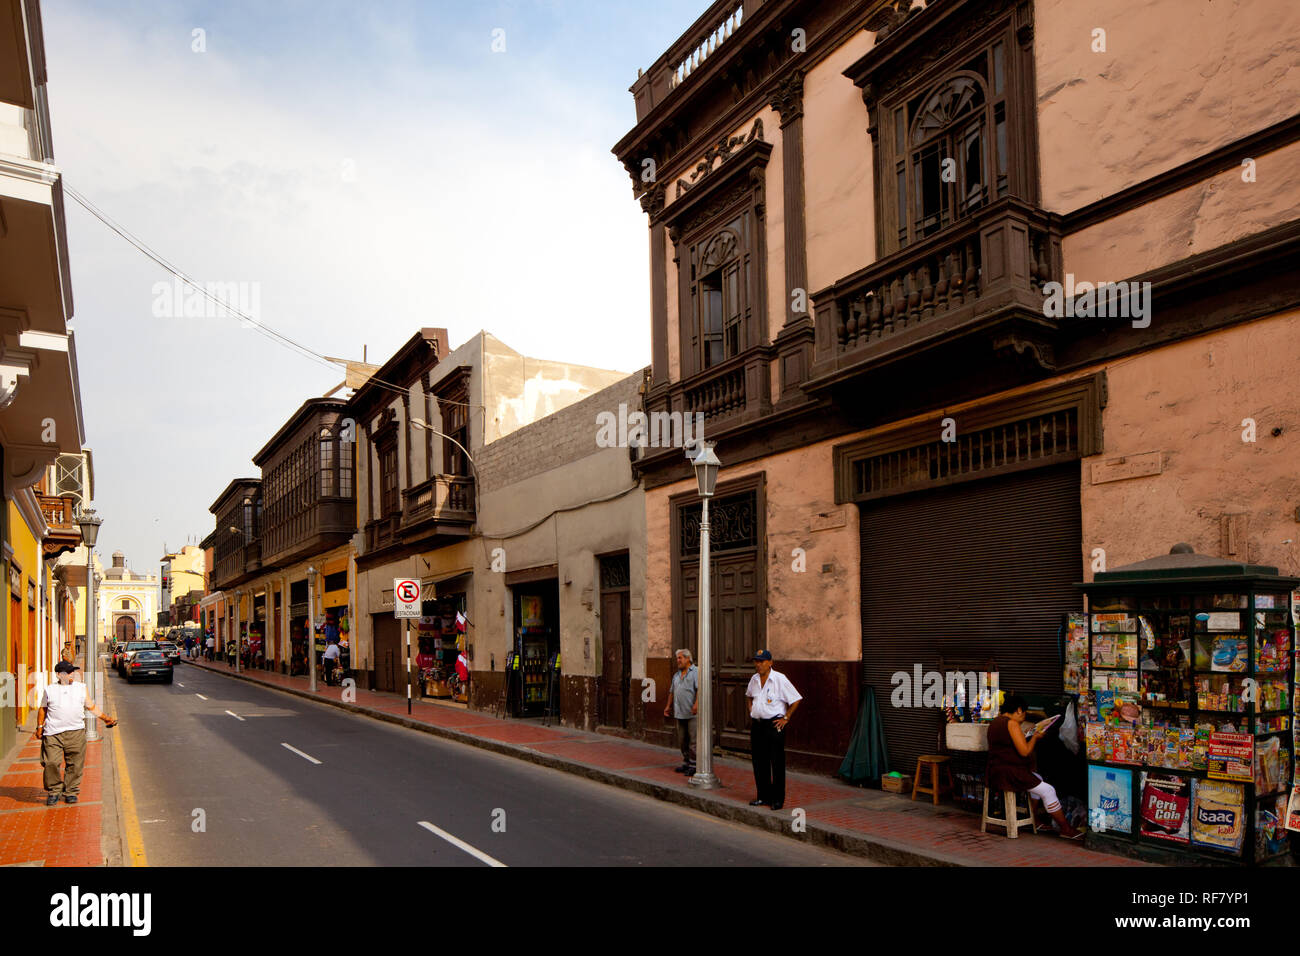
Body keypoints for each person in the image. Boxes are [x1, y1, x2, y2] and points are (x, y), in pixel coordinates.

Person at [986, 694, 1083, 839]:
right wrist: (1035, 738)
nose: (1023, 717)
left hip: (995, 770)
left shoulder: (995, 722)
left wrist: (1024, 736)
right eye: (1023, 713)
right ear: (1019, 710)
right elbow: (1025, 752)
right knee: (1048, 790)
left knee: (1037, 779)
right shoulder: (1011, 723)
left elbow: (1007, 745)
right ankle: (1065, 828)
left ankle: (1035, 820)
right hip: (1010, 772)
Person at [35, 661, 117, 806]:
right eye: (69, 672)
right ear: (59, 675)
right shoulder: (50, 690)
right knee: (51, 762)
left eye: (73, 671)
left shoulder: (81, 688)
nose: (72, 674)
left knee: (75, 764)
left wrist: (106, 718)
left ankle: (71, 791)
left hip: (76, 732)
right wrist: (40, 727)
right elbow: (43, 709)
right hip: (53, 733)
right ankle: (54, 791)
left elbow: (90, 706)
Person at [745, 650, 801, 810]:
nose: (759, 664)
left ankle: (777, 799)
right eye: (756, 661)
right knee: (759, 762)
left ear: (770, 662)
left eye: (762, 661)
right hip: (758, 725)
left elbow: (796, 699)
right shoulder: (754, 679)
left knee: (776, 762)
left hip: (773, 725)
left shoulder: (779, 679)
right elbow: (748, 695)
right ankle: (763, 796)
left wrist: (786, 717)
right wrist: (751, 710)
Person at [663, 648, 698, 774]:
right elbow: (672, 692)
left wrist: (696, 704)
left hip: (692, 713)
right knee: (682, 740)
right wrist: (668, 706)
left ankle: (694, 766)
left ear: (688, 659)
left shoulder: (696, 672)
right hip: (679, 712)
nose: (678, 660)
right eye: (677, 658)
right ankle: (686, 762)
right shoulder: (676, 675)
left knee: (693, 741)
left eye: (680, 658)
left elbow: (700, 689)